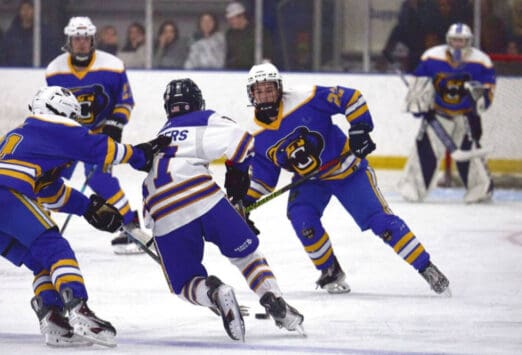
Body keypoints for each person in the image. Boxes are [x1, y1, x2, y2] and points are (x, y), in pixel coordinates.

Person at [0, 86, 167, 347]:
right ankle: (78, 308)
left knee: (41, 260)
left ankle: (53, 319)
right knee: (54, 246)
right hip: (1, 191)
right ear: (63, 110)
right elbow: (101, 149)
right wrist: (141, 154)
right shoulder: (57, 125)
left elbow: (50, 191)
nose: (78, 122)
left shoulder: (29, 134)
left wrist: (87, 208)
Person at [240, 62, 450, 296]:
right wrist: (243, 202)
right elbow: (264, 178)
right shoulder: (254, 134)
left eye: (269, 89)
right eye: (259, 91)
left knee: (381, 222)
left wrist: (359, 129)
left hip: (346, 169)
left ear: (279, 88)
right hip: (310, 180)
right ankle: (330, 269)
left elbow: (352, 98)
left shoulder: (306, 97)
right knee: (302, 217)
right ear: (251, 95)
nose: (265, 96)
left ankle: (426, 267)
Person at [140, 78, 304, 341]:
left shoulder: (160, 136)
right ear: (197, 102)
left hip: (161, 211)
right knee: (247, 256)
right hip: (204, 196)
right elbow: (242, 142)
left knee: (185, 284)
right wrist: (238, 176)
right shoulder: (205, 118)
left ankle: (214, 292)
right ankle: (272, 297)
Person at [46, 17, 149, 255]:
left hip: (99, 134)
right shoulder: (54, 69)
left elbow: (125, 101)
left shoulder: (112, 65)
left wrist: (116, 122)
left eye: (85, 38)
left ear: (92, 39)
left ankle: (131, 228)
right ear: (69, 40)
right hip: (66, 136)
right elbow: (50, 105)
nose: (81, 43)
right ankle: (40, 226)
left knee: (99, 180)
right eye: (76, 38)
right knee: (47, 177)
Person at [399, 23, 496, 203]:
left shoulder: (481, 60)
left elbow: (488, 89)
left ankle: (480, 189)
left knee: (469, 155)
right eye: (454, 40)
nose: (458, 44)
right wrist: (418, 104)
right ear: (448, 40)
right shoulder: (432, 56)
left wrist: (479, 103)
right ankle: (413, 187)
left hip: (465, 116)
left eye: (461, 40)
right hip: (437, 115)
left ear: (469, 41)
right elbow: (419, 81)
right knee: (425, 150)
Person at [0, 0, 59, 67]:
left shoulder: (45, 34)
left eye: (29, 8)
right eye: (23, 9)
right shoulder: (12, 34)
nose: (26, 12)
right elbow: (4, 56)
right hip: (15, 74)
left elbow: (51, 55)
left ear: (35, 11)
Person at [224, 1, 273, 69]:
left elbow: (267, 51)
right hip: (235, 71)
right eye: (229, 20)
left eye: (232, 19)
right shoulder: (230, 33)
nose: (230, 22)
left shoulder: (258, 31)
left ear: (241, 16)